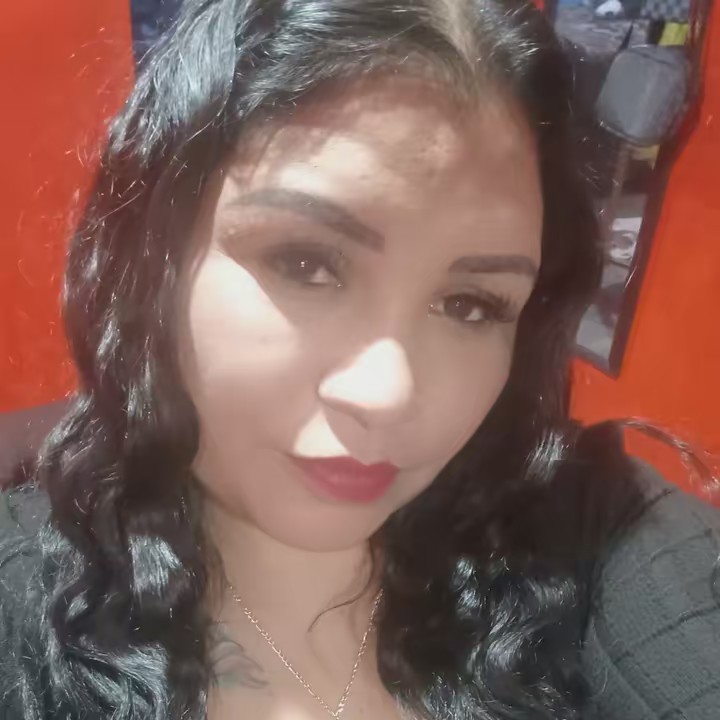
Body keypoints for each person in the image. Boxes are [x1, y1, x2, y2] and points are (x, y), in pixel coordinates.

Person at [1, 1, 718, 719]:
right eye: (306, 263)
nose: (387, 394)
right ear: (155, 258)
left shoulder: (591, 532)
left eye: (471, 304)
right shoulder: (21, 599)